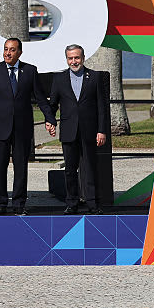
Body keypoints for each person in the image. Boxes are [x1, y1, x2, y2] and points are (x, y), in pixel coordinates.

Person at [0, 37, 57, 216]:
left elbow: (41, 99)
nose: (7, 53)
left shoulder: (30, 71)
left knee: (21, 168)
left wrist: (50, 119)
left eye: (12, 50)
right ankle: (1, 204)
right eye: (5, 49)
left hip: (22, 129)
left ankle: (19, 205)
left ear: (19, 52)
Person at [48, 44, 110, 215]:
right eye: (70, 58)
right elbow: (52, 104)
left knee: (90, 168)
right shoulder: (59, 79)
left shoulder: (95, 77)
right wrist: (50, 120)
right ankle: (72, 203)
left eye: (76, 58)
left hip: (90, 131)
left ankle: (92, 203)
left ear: (83, 58)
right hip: (68, 131)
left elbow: (102, 107)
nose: (74, 61)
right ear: (66, 59)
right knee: (69, 170)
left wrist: (102, 130)